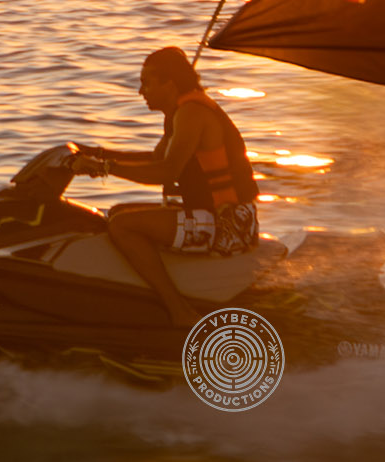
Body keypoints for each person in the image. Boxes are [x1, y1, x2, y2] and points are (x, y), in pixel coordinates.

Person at [73, 46, 259, 328]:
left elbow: (166, 171)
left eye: (146, 83)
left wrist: (104, 168)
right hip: (217, 215)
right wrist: (98, 154)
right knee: (118, 211)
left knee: (122, 226)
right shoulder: (179, 113)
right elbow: (155, 159)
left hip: (230, 224)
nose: (140, 91)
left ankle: (179, 311)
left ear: (169, 84)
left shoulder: (192, 113)